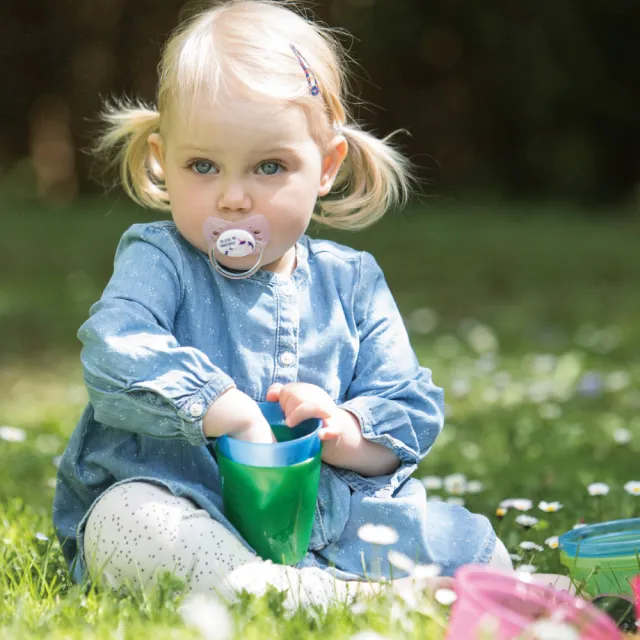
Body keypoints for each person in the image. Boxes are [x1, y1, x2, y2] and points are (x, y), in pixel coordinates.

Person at [52, 0, 513, 611]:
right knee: (125, 520)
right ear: (164, 158)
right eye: (203, 166)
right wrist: (225, 408)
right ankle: (313, 596)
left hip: (327, 521)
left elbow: (405, 408)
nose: (234, 198)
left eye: (269, 166)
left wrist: (344, 431)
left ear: (325, 165)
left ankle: (332, 588)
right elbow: (116, 347)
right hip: (192, 509)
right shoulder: (159, 258)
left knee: (479, 549)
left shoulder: (352, 280)